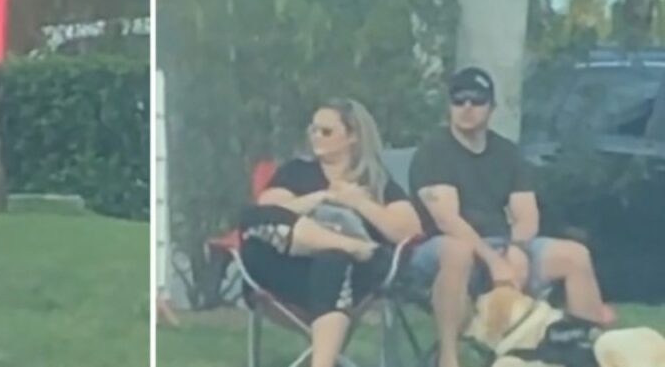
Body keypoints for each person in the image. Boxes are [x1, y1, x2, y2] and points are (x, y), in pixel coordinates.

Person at [408, 67, 613, 367]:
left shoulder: (505, 152)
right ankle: (448, 358)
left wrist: (517, 249)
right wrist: (495, 262)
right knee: (459, 251)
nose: (466, 108)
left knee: (574, 255)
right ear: (449, 106)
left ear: (491, 107)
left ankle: (584, 350)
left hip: (501, 243)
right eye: (458, 100)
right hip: (440, 248)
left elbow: (526, 214)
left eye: (476, 101)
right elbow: (447, 220)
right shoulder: (434, 151)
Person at [239, 99, 422, 367]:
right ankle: (348, 245)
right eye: (313, 130)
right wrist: (317, 199)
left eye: (326, 132)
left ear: (353, 137)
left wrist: (357, 201)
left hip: (349, 277)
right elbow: (265, 212)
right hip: (289, 271)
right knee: (250, 217)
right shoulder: (296, 172)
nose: (316, 136)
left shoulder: (375, 181)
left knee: (333, 260)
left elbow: (408, 230)